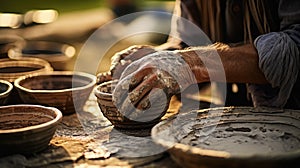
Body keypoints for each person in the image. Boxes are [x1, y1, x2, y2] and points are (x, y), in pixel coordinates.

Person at [97, 0, 300, 120]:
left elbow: (295, 46)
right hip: (229, 120)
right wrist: (153, 56)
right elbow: (187, 44)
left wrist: (188, 64)